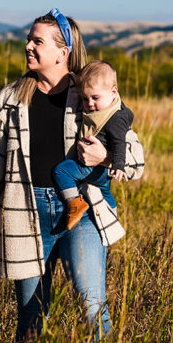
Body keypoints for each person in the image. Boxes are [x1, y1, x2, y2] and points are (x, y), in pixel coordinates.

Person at [0, 9, 126, 342]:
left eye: (37, 41)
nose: (28, 45)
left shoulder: (89, 94)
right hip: (26, 215)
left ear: (63, 53)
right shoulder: (11, 99)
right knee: (31, 315)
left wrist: (107, 157)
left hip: (82, 212)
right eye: (29, 39)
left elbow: (131, 148)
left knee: (91, 304)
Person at [53, 60, 134, 231]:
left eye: (95, 98)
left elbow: (120, 143)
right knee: (105, 192)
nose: (90, 104)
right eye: (85, 98)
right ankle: (112, 218)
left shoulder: (114, 118)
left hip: (91, 167)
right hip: (103, 174)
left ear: (113, 92)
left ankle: (74, 203)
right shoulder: (109, 109)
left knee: (61, 171)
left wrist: (118, 165)